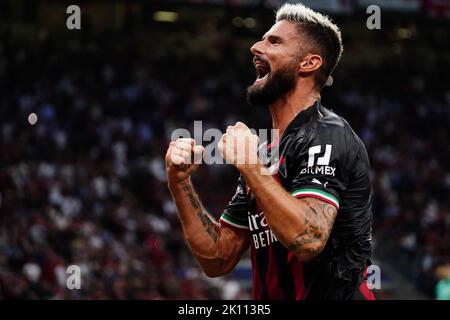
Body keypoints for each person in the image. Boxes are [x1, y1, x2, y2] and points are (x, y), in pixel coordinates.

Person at [165, 3, 375, 300]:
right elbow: (218, 257)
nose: (255, 47)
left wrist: (251, 166)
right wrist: (180, 183)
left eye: (274, 41)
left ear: (308, 63)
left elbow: (310, 239)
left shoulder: (327, 134)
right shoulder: (265, 156)